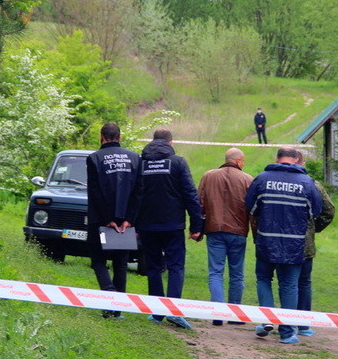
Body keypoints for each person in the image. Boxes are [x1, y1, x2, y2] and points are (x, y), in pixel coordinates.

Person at [245, 146, 322, 344]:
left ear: (276, 158)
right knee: (289, 285)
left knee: (264, 279)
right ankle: (287, 333)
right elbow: (315, 212)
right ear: (296, 160)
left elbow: (251, 208)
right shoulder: (307, 182)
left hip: (266, 240)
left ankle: (266, 320)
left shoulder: (262, 179)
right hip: (294, 243)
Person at [137, 129, 204, 329]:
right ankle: (173, 311)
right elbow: (190, 194)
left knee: (153, 267)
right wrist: (196, 225)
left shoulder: (141, 163)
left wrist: (132, 221)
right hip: (173, 225)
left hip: (147, 225)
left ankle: (157, 313)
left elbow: (134, 194)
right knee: (175, 267)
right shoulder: (178, 162)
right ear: (170, 142)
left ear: (152, 141)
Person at [86, 122, 142, 319]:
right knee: (121, 263)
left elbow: (95, 192)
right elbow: (138, 191)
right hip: (125, 220)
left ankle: (109, 292)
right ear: (119, 137)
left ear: (102, 137)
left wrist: (107, 219)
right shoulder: (135, 158)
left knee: (98, 260)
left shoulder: (94, 158)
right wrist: (129, 219)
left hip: (99, 219)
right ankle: (116, 309)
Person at [197, 147, 254, 326]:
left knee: (215, 272)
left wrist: (198, 229)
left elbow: (199, 204)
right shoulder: (247, 179)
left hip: (214, 230)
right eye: (243, 161)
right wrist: (256, 235)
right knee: (237, 274)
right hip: (238, 232)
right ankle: (234, 314)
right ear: (238, 161)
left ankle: (218, 313)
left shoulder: (208, 176)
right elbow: (253, 210)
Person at [294, 150, 335, 337]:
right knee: (304, 282)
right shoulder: (313, 185)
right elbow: (329, 210)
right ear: (302, 164)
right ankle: (303, 325)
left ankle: (283, 322)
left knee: (285, 283)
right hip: (305, 243)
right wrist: (314, 227)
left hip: (279, 242)